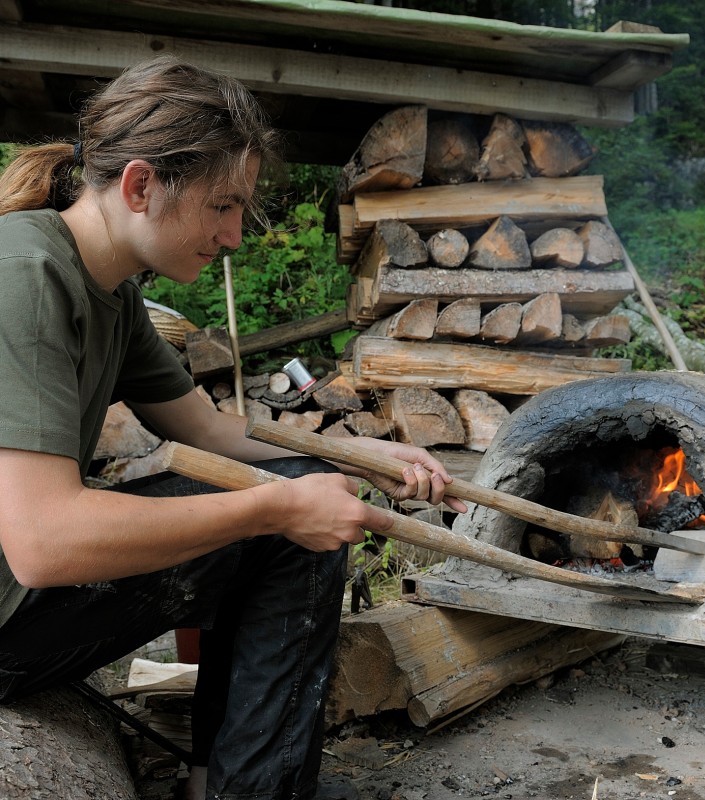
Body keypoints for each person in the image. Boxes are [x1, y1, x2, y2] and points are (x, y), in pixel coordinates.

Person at [0, 56, 466, 800]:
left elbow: (208, 433)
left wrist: (353, 454)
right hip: (10, 612)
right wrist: (278, 507)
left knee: (301, 494)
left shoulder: (110, 292)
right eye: (224, 205)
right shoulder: (23, 277)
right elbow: (42, 541)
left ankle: (215, 781)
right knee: (287, 517)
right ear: (141, 185)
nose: (236, 234)